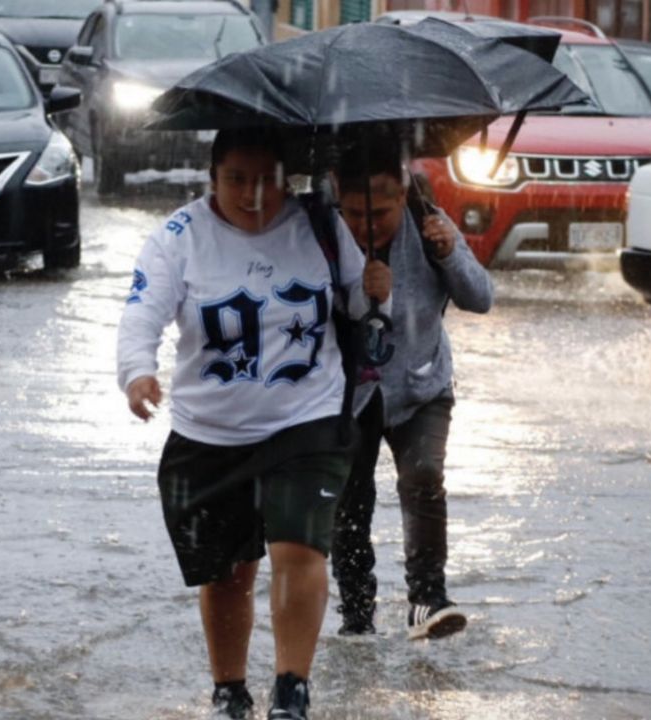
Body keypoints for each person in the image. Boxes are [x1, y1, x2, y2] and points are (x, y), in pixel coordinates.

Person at [117, 128, 392, 720]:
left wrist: (376, 293)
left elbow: (362, 309)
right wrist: (138, 372)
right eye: (235, 179)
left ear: (286, 177)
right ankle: (229, 691)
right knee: (229, 572)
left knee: (298, 547)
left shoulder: (318, 225)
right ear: (211, 177)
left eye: (265, 179)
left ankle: (291, 689)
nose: (251, 194)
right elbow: (141, 314)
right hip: (209, 433)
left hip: (307, 420)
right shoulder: (178, 238)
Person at [331, 146, 493, 641]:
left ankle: (427, 598)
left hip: (422, 383)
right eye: (354, 213)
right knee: (349, 502)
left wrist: (446, 253)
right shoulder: (322, 234)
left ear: (401, 196)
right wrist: (356, 290)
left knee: (423, 475)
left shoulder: (430, 224)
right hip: (347, 392)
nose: (366, 225)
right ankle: (357, 615)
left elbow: (480, 297)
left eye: (379, 213)